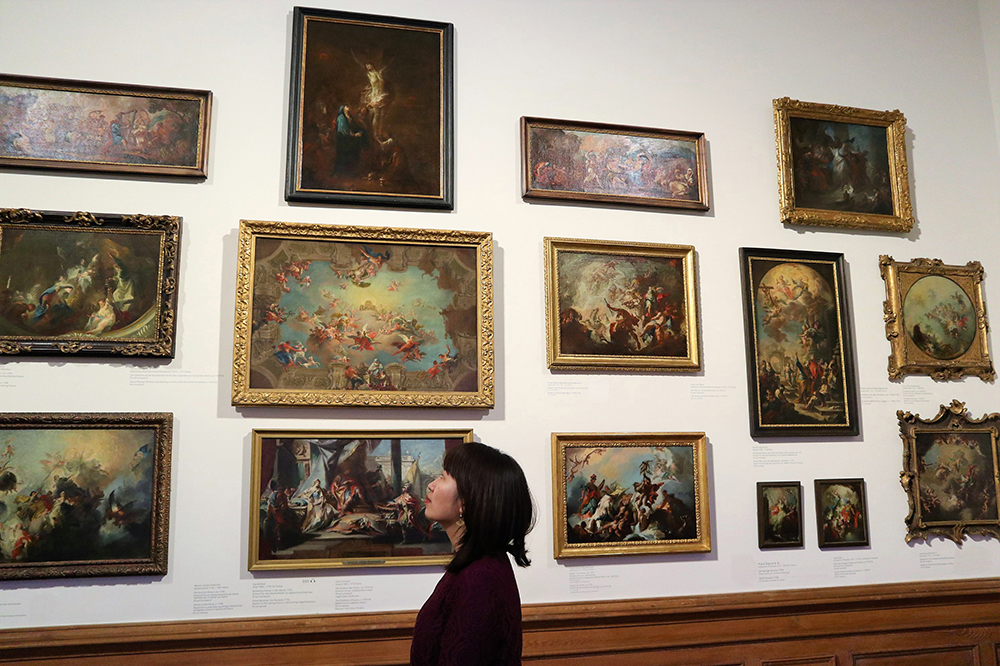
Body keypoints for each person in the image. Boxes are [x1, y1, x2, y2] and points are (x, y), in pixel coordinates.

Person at [410, 442, 535, 666]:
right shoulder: (478, 565)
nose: (431, 485)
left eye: (443, 477)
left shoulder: (480, 577)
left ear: (466, 502)